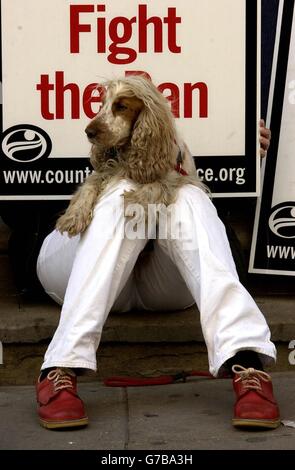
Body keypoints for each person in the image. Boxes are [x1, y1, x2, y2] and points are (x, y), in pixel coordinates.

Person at [35, 120, 279, 431]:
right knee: (124, 190)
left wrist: (236, 151)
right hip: (77, 257)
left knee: (186, 193)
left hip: (164, 277)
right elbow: (16, 211)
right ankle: (62, 363)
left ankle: (246, 359)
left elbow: (220, 216)